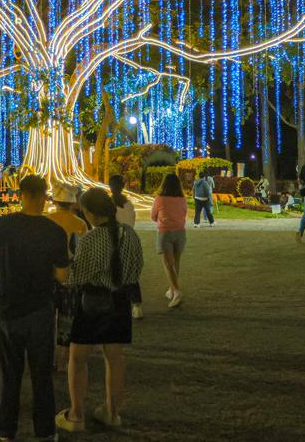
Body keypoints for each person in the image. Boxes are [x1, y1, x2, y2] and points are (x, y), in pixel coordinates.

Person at [0, 175, 70, 442]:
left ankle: (5, 431)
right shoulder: (54, 230)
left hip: (10, 308)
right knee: (42, 374)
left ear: (21, 195)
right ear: (45, 196)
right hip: (41, 309)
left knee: (11, 373)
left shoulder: (0, 226)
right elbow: (63, 276)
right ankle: (45, 432)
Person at [56, 188, 144, 432]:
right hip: (120, 301)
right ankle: (112, 412)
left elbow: (75, 278)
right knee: (114, 358)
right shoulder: (129, 234)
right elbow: (137, 269)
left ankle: (76, 415)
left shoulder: (91, 240)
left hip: (92, 302)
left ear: (91, 213)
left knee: (78, 357)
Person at [47, 183, 89, 371]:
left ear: (55, 201)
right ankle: (63, 359)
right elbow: (81, 252)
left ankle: (45, 355)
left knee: (46, 316)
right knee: (67, 315)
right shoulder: (80, 224)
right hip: (71, 275)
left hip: (48, 274)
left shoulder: (46, 221)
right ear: (73, 203)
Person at [151, 173, 188, 309]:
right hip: (180, 232)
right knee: (176, 262)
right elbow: (184, 213)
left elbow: (153, 216)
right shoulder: (182, 199)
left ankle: (177, 292)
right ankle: (172, 290)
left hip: (165, 233)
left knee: (168, 264)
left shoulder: (159, 199)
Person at [109, 174, 143, 319]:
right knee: (130, 273)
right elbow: (132, 222)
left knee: (112, 272)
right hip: (129, 239)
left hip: (112, 240)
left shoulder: (108, 204)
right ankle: (137, 306)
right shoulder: (129, 204)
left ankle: (115, 304)